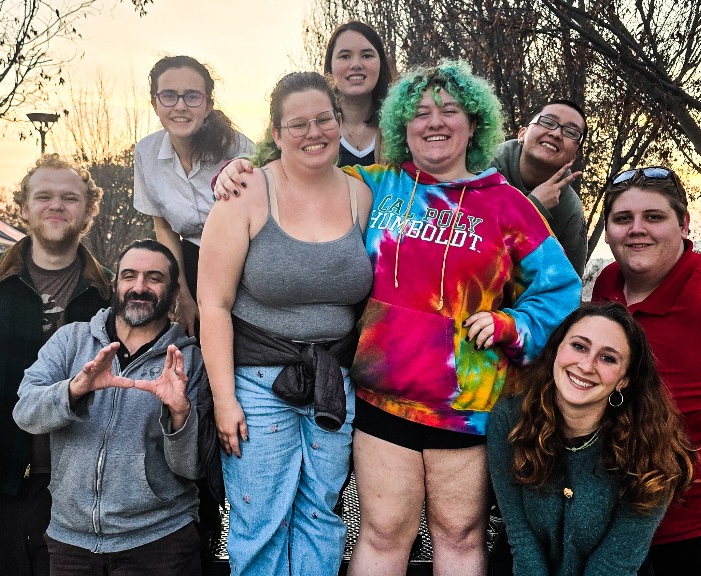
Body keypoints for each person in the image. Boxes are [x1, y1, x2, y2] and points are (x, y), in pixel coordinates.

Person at [213, 61, 581, 575]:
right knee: (383, 534)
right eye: (421, 113)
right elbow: (299, 174)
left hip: (464, 403)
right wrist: (238, 169)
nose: (435, 122)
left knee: (458, 534)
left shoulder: (508, 205)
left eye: (450, 111)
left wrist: (511, 325)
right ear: (403, 127)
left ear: (473, 125)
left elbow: (560, 290)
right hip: (379, 394)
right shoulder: (373, 186)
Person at [197, 71, 374, 575]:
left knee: (322, 515)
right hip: (255, 383)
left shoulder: (361, 196)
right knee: (260, 518)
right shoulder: (247, 190)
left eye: (323, 119)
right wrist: (225, 399)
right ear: (275, 134)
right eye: (297, 124)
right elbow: (212, 303)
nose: (312, 132)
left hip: (332, 382)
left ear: (340, 123)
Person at [591, 166, 701, 575]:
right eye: (623, 218)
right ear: (607, 231)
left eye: (654, 217)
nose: (637, 229)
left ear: (684, 224)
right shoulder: (608, 287)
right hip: (630, 536)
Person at [0, 154, 111, 575]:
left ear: (89, 211)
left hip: (81, 487)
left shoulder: (109, 292)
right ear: (23, 208)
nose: (56, 206)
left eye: (70, 198)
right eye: (44, 196)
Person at [12, 239, 206, 575]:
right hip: (70, 544)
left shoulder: (189, 359)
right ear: (115, 285)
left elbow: (192, 469)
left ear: (174, 291)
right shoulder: (71, 340)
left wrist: (180, 414)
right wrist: (75, 390)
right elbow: (26, 414)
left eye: (154, 278)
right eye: (129, 276)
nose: (139, 287)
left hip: (160, 541)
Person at [488, 302, 696, 576]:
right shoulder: (510, 419)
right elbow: (522, 539)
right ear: (556, 350)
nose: (586, 365)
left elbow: (614, 565)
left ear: (624, 380)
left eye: (608, 358)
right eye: (579, 346)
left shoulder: (650, 451)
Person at [133, 55, 254, 337]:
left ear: (208, 104)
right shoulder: (146, 153)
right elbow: (163, 226)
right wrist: (182, 294)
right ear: (154, 103)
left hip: (242, 261)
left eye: (192, 97)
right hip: (188, 261)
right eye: (169, 96)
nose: (180, 106)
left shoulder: (239, 149)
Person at [489, 100, 589, 276]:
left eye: (571, 132)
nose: (556, 133)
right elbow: (467, 252)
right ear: (522, 133)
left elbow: (567, 286)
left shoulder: (570, 211)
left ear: (574, 155)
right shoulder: (479, 170)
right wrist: (533, 208)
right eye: (548, 122)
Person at [323, 21, 394, 166]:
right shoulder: (315, 131)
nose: (356, 64)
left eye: (367, 56)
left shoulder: (401, 129)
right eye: (345, 56)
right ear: (330, 66)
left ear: (381, 63)